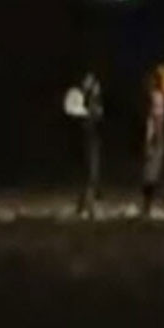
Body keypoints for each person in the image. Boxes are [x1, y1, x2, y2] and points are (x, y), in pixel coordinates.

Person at [64, 72, 103, 218]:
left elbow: (98, 114)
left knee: (91, 173)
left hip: (90, 137)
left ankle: (84, 205)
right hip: (84, 138)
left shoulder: (91, 98)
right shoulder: (77, 95)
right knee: (89, 173)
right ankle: (87, 206)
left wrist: (95, 99)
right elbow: (75, 112)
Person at [141, 64, 164, 218]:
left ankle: (156, 202)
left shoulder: (155, 96)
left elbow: (152, 119)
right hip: (157, 138)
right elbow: (153, 119)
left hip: (156, 138)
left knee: (150, 174)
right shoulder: (158, 97)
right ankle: (158, 201)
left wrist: (149, 139)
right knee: (151, 173)